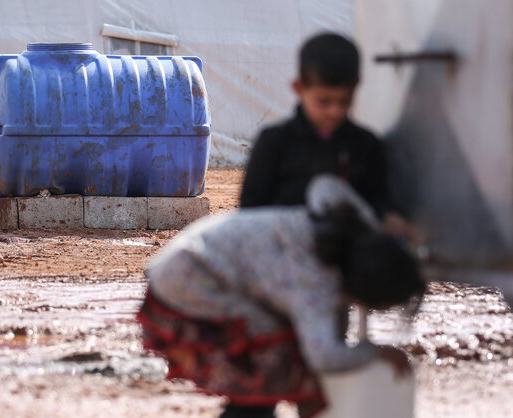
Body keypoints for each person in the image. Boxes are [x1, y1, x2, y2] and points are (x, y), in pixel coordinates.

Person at [137, 175, 426, 418]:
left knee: (276, 360)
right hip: (192, 281)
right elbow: (324, 355)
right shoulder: (313, 284)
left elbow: (325, 185)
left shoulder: (340, 227)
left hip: (190, 257)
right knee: (274, 358)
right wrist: (376, 352)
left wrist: (377, 225)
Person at [239, 32, 411, 239]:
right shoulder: (275, 142)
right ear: (299, 88)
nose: (335, 111)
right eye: (324, 101)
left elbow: (376, 198)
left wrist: (389, 217)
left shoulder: (364, 144)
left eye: (344, 101)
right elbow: (250, 210)